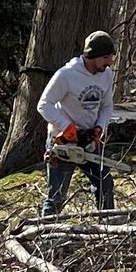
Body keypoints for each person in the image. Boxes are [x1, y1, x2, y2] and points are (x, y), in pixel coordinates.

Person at [36, 30, 118, 218]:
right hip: (64, 141)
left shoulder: (106, 75)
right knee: (56, 196)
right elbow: (44, 105)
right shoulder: (66, 75)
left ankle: (109, 227)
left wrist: (100, 128)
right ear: (92, 56)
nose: (109, 62)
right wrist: (68, 127)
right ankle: (46, 235)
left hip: (90, 139)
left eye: (111, 57)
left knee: (105, 185)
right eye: (106, 57)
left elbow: (106, 106)